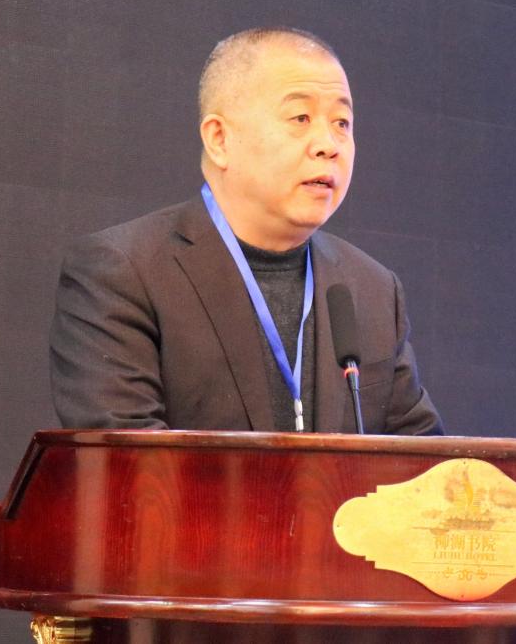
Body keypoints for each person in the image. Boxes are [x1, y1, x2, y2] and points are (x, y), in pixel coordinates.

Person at [49, 27, 442, 436]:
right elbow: (129, 459)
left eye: (342, 122)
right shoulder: (125, 273)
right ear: (220, 139)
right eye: (301, 118)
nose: (329, 144)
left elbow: (424, 458)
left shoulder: (373, 289)